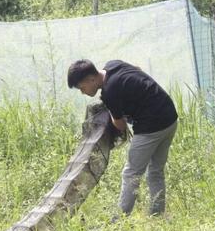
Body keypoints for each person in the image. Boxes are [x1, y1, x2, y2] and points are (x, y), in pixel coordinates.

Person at [67, 59, 178, 216]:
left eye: (81, 87)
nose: (82, 92)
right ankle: (157, 214)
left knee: (131, 173)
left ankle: (120, 218)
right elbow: (137, 68)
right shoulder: (114, 65)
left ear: (91, 79)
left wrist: (113, 109)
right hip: (169, 117)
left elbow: (120, 125)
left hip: (152, 127)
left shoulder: (110, 92)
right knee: (155, 171)